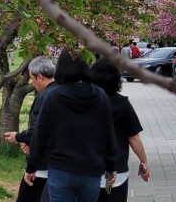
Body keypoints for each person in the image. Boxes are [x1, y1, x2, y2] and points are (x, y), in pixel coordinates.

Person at [24, 51, 118, 202]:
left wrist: (31, 166)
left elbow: (40, 135)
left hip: (61, 169)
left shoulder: (53, 97)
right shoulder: (100, 96)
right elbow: (108, 133)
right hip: (90, 169)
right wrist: (111, 165)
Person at [90, 58, 151, 202]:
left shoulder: (84, 102)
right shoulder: (122, 104)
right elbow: (133, 137)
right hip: (117, 170)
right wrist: (144, 162)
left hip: (88, 167)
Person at [4, 56, 57, 202]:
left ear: (40, 76)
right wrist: (30, 141)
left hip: (41, 166)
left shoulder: (45, 97)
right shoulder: (62, 92)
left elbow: (37, 131)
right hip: (60, 164)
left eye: (32, 79)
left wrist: (19, 137)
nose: (32, 84)